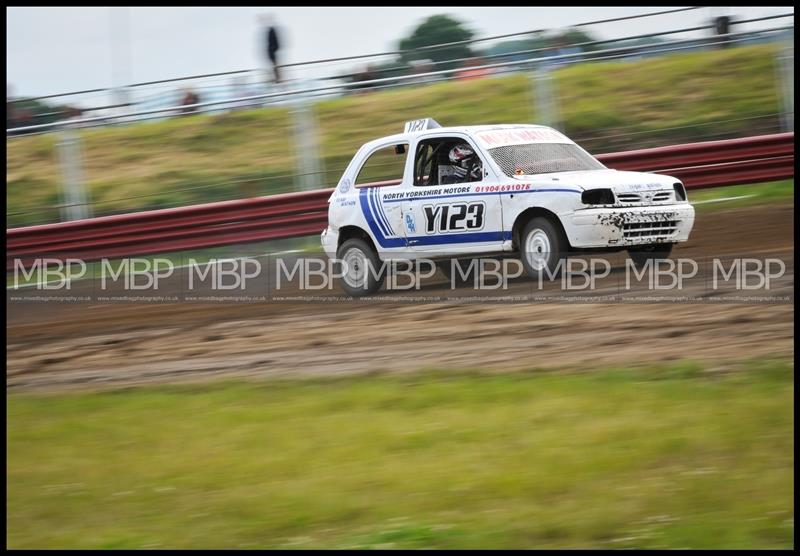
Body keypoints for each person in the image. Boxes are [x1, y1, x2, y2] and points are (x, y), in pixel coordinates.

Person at [261, 14, 282, 83]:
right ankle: (276, 78)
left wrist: (273, 49)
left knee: (275, 66)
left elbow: (275, 42)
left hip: (272, 52)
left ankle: (277, 78)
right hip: (271, 52)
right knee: (274, 66)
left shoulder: (271, 30)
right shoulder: (270, 30)